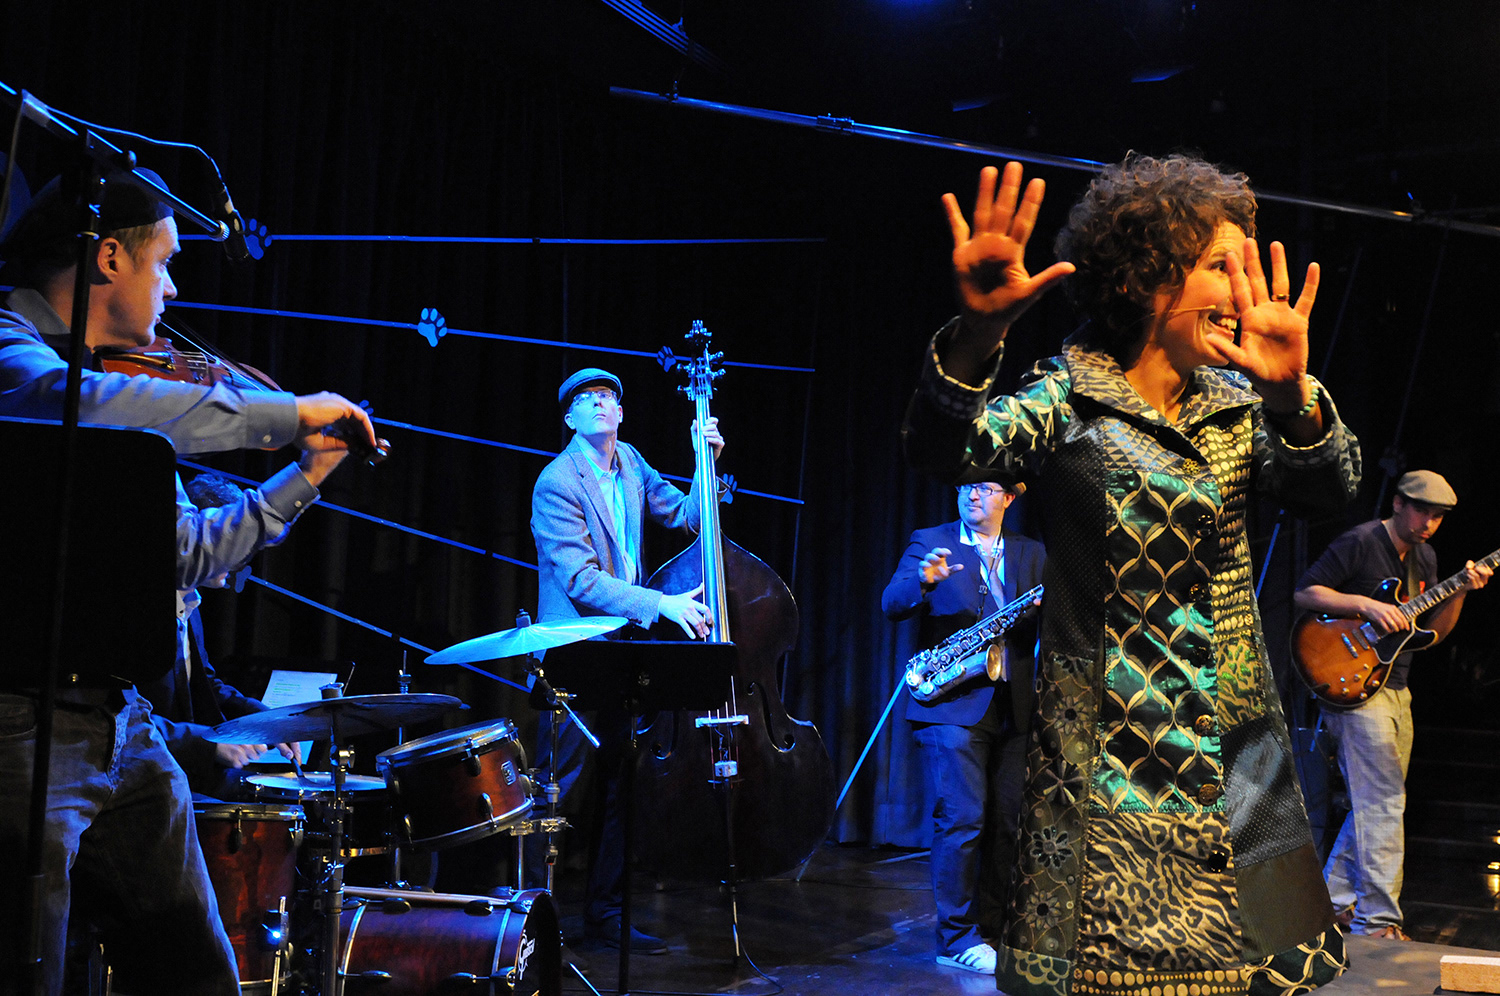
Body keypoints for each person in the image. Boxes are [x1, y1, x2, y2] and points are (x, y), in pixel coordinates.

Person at [902, 155, 1362, 996]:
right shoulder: (1065, 399)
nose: (1242, 291)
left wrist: (1294, 396)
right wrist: (975, 339)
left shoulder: (1241, 404)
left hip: (1234, 759)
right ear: (1146, 278)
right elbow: (944, 450)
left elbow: (1329, 489)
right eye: (1221, 266)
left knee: (1251, 975)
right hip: (1103, 769)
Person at [0, 168, 377, 995]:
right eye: (165, 263)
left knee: (196, 972)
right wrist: (285, 414)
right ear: (108, 258)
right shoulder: (14, 350)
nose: (172, 291)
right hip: (18, 722)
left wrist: (306, 475)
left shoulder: (117, 392)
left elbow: (186, 553)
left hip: (119, 722)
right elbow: (79, 405)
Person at [528, 366, 722, 954]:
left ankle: (607, 914)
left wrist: (704, 462)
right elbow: (580, 580)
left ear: (620, 412)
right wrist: (660, 603)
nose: (598, 403)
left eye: (607, 395)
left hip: (623, 647)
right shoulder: (556, 481)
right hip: (575, 650)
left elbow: (687, 516)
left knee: (620, 783)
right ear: (570, 418)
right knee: (559, 791)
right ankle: (532, 920)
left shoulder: (631, 462)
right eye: (585, 398)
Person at [1294, 469, 1490, 940]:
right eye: (1422, 512)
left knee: (1376, 802)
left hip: (1395, 687)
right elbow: (1306, 592)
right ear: (1399, 503)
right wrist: (1365, 605)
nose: (1428, 524)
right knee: (1383, 802)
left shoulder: (1425, 558)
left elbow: (1433, 634)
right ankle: (1377, 921)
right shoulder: (1362, 541)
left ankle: (1332, 904)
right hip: (1351, 683)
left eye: (1438, 517)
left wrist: (1461, 591)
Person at [882, 475, 1045, 974]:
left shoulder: (1031, 551)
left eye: (986, 488)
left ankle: (989, 931)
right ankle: (955, 938)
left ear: (1009, 498)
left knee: (1006, 822)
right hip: (951, 704)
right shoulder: (931, 541)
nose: (973, 495)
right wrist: (923, 581)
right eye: (966, 487)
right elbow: (892, 603)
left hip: (1013, 702)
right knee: (962, 817)